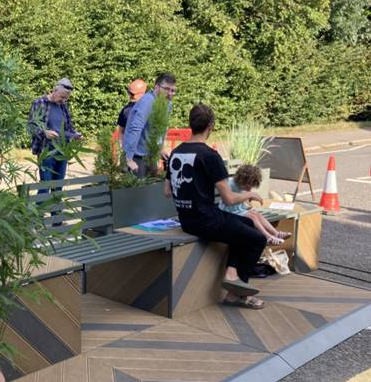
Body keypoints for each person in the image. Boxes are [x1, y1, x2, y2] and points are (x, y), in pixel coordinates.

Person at [164, 103, 268, 309]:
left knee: (246, 224)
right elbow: (229, 199)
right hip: (207, 220)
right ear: (210, 126)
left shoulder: (176, 153)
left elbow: (167, 192)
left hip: (187, 221)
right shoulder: (210, 156)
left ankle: (231, 273)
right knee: (257, 239)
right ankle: (236, 294)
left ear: (190, 124)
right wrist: (249, 194)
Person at [219, 164, 291, 246]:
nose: (249, 190)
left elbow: (242, 200)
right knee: (252, 217)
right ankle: (267, 236)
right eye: (248, 187)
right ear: (242, 179)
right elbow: (230, 200)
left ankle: (276, 233)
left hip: (238, 211)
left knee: (257, 214)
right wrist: (249, 195)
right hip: (228, 212)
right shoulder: (230, 184)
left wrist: (248, 205)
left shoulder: (241, 186)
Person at [27, 78, 82, 183]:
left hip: (63, 151)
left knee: (58, 186)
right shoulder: (39, 102)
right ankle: (42, 200)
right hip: (46, 151)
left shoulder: (63, 106)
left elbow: (68, 128)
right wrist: (44, 133)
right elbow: (31, 126)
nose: (63, 100)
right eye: (62, 97)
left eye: (66, 98)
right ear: (55, 90)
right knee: (46, 185)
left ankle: (58, 200)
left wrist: (76, 135)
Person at [123, 72, 176, 178]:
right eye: (166, 89)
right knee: (139, 191)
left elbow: (161, 129)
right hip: (137, 157)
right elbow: (135, 129)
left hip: (152, 155)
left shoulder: (168, 104)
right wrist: (128, 158)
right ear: (156, 87)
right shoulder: (147, 101)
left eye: (173, 90)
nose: (170, 93)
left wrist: (160, 149)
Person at [115, 79, 148, 146]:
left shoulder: (151, 108)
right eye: (129, 93)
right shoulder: (126, 110)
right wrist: (122, 146)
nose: (130, 96)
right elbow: (121, 131)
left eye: (132, 94)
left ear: (142, 94)